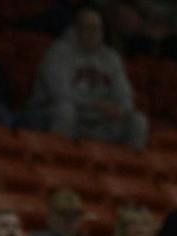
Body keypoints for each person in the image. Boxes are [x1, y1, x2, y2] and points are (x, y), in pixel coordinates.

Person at [28, 4, 149, 150]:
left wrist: (121, 109)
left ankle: (124, 170)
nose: (93, 33)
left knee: (138, 121)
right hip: (56, 113)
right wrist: (95, 105)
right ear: (76, 28)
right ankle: (55, 160)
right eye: (88, 27)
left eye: (97, 28)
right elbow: (60, 95)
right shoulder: (58, 52)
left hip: (98, 120)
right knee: (65, 111)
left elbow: (124, 95)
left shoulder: (111, 58)